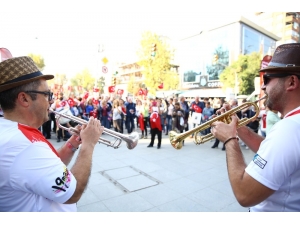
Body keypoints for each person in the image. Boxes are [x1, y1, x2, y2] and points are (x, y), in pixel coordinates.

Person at [0, 56, 103, 211]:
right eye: (47, 94)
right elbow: (72, 193)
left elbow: (49, 166)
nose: (51, 101)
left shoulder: (13, 131)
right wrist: (88, 145)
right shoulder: (25, 147)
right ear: (24, 98)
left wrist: (73, 143)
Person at [210, 43, 300, 211]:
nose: (263, 87)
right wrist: (237, 127)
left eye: (267, 79)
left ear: (291, 82)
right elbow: (273, 151)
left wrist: (230, 140)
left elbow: (244, 194)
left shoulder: (289, 129)